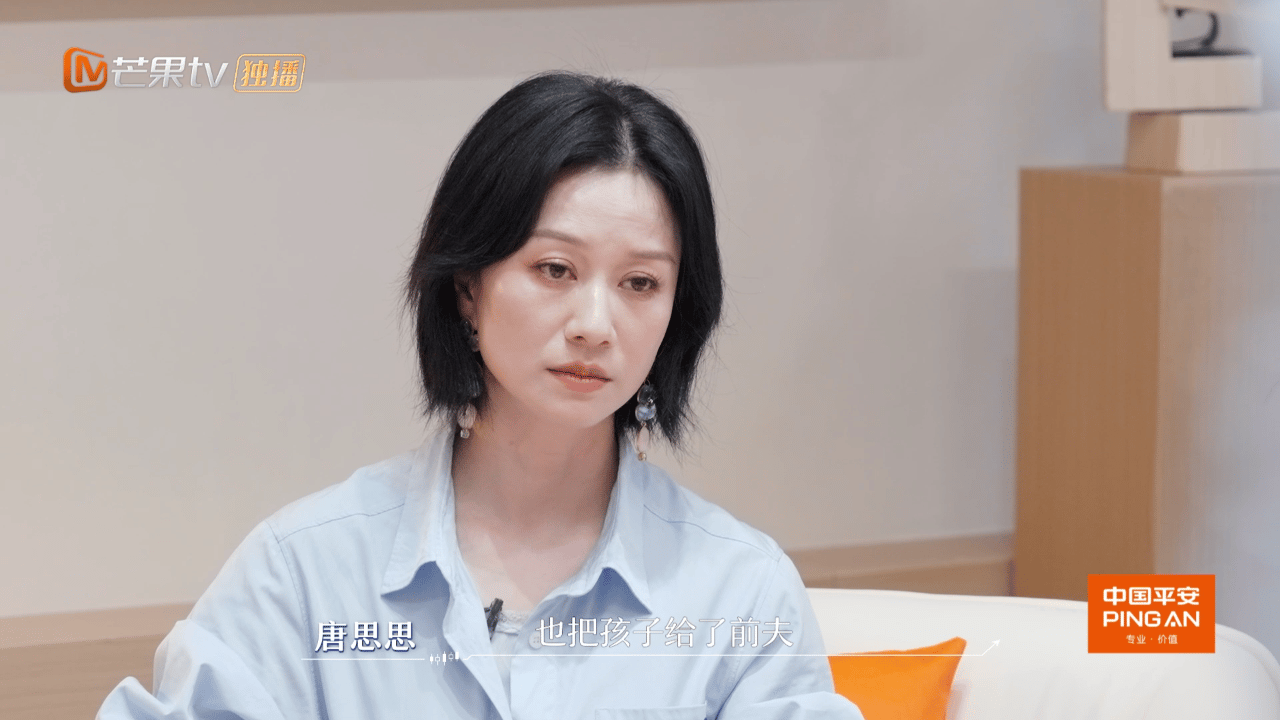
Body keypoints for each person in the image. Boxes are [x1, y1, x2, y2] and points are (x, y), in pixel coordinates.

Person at [97, 71, 863, 720]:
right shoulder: (304, 571)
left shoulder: (741, 591)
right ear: (468, 285)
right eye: (555, 270)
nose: (595, 325)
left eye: (640, 283)